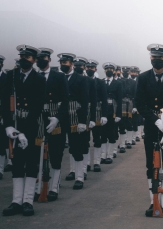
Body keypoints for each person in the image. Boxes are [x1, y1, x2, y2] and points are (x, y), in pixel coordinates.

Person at [2, 45, 45, 216]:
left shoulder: (39, 79)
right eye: (21, 56)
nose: (23, 59)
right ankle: (16, 201)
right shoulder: (11, 76)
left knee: (31, 163)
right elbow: (6, 103)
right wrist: (8, 126)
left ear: (34, 60)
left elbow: (37, 107)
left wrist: (24, 133)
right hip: (15, 126)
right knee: (17, 164)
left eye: (27, 57)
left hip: (32, 127)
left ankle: (28, 201)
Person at [135, 44, 163, 217]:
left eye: (160, 57)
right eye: (154, 57)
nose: (157, 60)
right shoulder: (144, 77)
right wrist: (155, 120)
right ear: (150, 58)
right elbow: (140, 104)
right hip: (153, 126)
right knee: (151, 164)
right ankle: (153, 201)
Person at [35, 48, 69, 201]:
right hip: (37, 120)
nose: (41, 60)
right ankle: (38, 188)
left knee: (55, 154)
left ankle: (54, 187)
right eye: (38, 58)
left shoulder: (59, 77)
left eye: (44, 58)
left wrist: (57, 118)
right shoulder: (33, 76)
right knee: (37, 155)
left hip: (55, 119)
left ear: (49, 59)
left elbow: (65, 100)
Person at [58, 53, 89, 190]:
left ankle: (79, 177)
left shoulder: (80, 79)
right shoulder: (58, 77)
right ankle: (57, 179)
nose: (63, 64)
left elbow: (84, 100)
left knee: (76, 147)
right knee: (58, 148)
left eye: (66, 62)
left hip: (74, 115)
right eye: (62, 62)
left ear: (71, 64)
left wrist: (83, 121)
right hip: (59, 115)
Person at [85, 59, 108, 173]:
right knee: (85, 139)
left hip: (98, 111)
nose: (90, 69)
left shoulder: (100, 82)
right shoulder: (82, 80)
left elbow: (104, 99)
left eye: (92, 68)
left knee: (97, 138)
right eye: (88, 67)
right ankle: (87, 163)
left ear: (95, 69)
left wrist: (104, 115)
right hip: (85, 111)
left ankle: (97, 162)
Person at [100, 63, 122, 164]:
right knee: (103, 134)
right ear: (104, 71)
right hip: (102, 110)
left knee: (112, 133)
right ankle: (103, 155)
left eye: (111, 69)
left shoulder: (118, 83)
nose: (109, 70)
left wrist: (118, 115)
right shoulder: (101, 82)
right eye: (107, 69)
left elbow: (120, 100)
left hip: (113, 109)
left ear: (113, 71)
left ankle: (110, 155)